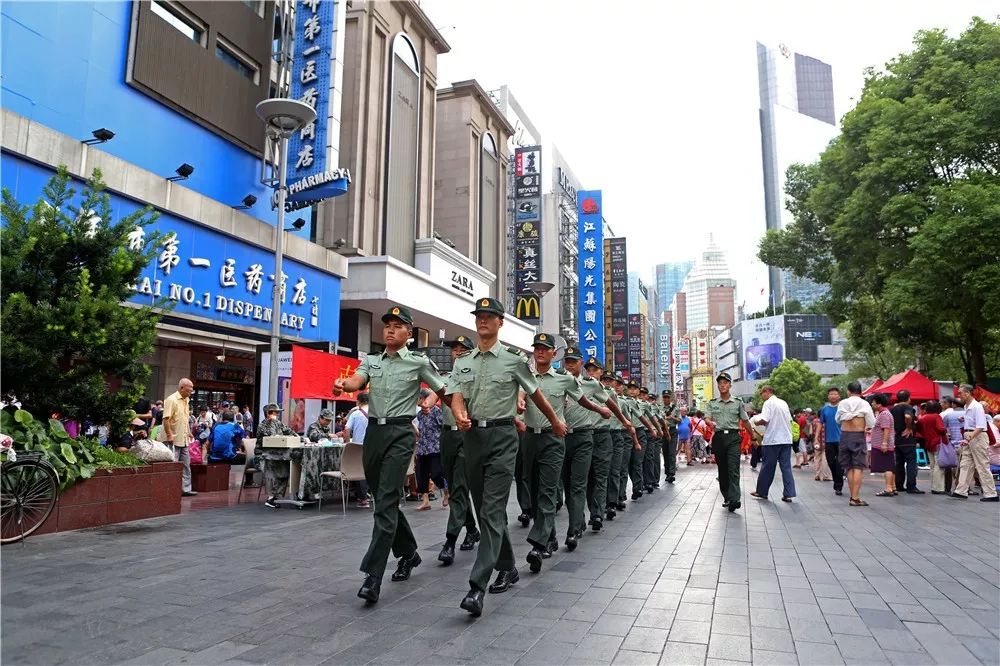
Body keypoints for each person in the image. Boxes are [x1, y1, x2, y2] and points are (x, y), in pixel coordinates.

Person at [446, 298, 566, 617]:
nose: (483, 320)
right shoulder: (463, 362)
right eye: (479, 316)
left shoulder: (513, 360)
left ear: (500, 323)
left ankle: (476, 586)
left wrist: (554, 421)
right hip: (472, 438)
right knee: (487, 509)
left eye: (490, 316)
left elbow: (535, 393)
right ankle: (509, 567)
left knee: (492, 508)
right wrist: (459, 414)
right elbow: (457, 395)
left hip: (502, 436)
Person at [333, 306, 449, 605]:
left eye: (398, 326)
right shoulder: (371, 360)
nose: (390, 330)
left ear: (408, 333)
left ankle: (373, 576)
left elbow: (442, 389)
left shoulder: (418, 363)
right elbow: (356, 381)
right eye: (387, 325)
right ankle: (409, 553)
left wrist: (458, 412)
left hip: (400, 433)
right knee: (383, 501)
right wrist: (342, 385)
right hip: (374, 434)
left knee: (385, 501)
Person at [518, 334, 609, 572]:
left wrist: (600, 409)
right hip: (529, 437)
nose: (539, 352)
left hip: (553, 438)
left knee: (549, 491)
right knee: (535, 489)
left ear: (552, 354)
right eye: (536, 348)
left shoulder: (563, 380)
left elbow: (583, 400)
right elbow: (518, 396)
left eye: (544, 348)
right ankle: (549, 537)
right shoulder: (525, 377)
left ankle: (538, 544)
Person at [564, 352, 631, 545]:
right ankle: (579, 520)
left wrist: (624, 420)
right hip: (571, 436)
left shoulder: (592, 385)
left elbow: (611, 404)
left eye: (595, 370)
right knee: (580, 481)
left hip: (600, 436)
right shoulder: (561, 381)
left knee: (600, 475)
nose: (592, 372)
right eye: (590, 370)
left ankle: (597, 514)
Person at [429, 336, 480, 566]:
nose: (457, 353)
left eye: (462, 349)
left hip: (467, 435)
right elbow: (434, 395)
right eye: (454, 349)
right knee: (455, 486)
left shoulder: (475, 378)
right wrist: (427, 403)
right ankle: (471, 529)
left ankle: (450, 541)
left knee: (458, 487)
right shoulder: (446, 378)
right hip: (447, 436)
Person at [705, 372, 749, 512]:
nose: (722, 385)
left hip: (733, 438)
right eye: (720, 383)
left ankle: (735, 498)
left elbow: (745, 420)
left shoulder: (737, 402)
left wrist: (753, 436)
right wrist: (710, 422)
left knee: (733, 468)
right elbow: (707, 418)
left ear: (730, 385)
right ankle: (727, 497)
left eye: (725, 382)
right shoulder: (712, 403)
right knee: (723, 470)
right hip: (719, 438)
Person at [952, 384, 999, 502]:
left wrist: (968, 438)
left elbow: (981, 426)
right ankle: (961, 491)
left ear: (967, 393)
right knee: (966, 464)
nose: (959, 396)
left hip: (976, 436)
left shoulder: (976, 407)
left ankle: (991, 493)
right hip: (971, 435)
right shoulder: (969, 406)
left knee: (982, 464)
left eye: (960, 393)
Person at [750, 385, 795, 502]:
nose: (761, 396)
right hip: (786, 439)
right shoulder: (783, 403)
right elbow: (789, 420)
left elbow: (765, 419)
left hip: (773, 440)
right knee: (786, 467)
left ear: (767, 392)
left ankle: (762, 491)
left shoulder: (768, 403)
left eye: (761, 393)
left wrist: (756, 421)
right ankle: (789, 493)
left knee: (767, 467)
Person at [835, 381, 876, 506]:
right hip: (858, 436)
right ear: (861, 392)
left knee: (849, 467)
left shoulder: (843, 403)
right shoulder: (864, 403)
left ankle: (853, 497)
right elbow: (871, 422)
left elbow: (837, 419)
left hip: (845, 435)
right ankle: (855, 497)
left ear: (848, 391)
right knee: (858, 466)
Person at [256, 403, 298, 508]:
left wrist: (299, 438)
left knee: (291, 465)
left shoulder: (278, 423)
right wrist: (272, 422)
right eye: (275, 412)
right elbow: (272, 438)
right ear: (268, 413)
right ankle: (271, 498)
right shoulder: (264, 425)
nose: (277, 415)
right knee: (282, 470)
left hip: (278, 454)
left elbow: (289, 431)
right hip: (265, 456)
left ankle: (299, 493)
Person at [162, 378, 197, 497]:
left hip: (184, 439)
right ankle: (170, 489)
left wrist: (189, 432)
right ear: (182, 388)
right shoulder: (171, 400)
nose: (191, 392)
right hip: (173, 439)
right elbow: (166, 419)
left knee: (186, 465)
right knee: (173, 465)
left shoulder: (186, 400)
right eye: (189, 389)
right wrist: (169, 435)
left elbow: (185, 419)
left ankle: (185, 489)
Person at [414, 396, 446, 511]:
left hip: (435, 447)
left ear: (423, 399)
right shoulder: (420, 414)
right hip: (422, 448)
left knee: (436, 473)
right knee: (421, 475)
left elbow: (442, 427)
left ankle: (446, 492)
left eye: (418, 399)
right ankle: (425, 501)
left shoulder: (436, 411)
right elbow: (420, 432)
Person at [890, 389, 922, 494]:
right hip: (908, 439)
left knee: (899, 463)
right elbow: (907, 416)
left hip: (897, 438)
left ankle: (899, 485)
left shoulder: (893, 409)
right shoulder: (908, 407)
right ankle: (911, 486)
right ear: (908, 398)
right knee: (911, 463)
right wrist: (909, 427)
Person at [343, 394, 371, 508]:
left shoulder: (355, 414)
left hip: (358, 447)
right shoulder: (376, 413)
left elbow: (346, 429)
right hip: (374, 446)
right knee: (372, 469)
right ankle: (372, 494)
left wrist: (347, 442)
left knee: (359, 470)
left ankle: (363, 499)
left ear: (359, 402)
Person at [817, 387, 844, 495]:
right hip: (829, 440)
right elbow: (820, 423)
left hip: (842, 440)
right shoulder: (825, 409)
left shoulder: (843, 408)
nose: (833, 396)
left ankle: (838, 486)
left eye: (835, 394)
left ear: (839, 396)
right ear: (828, 396)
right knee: (831, 462)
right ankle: (837, 478)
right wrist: (816, 438)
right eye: (831, 394)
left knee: (840, 463)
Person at [870, 394, 898, 497]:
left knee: (887, 467)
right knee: (889, 466)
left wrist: (884, 443)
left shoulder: (884, 414)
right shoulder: (883, 413)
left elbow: (886, 428)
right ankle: (893, 487)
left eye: (873, 402)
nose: (872, 404)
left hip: (883, 445)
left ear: (879, 404)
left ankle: (888, 488)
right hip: (882, 444)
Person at [917, 401, 947, 494]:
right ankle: (938, 488)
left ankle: (934, 486)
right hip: (938, 442)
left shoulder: (923, 418)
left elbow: (918, 429)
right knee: (939, 465)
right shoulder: (936, 416)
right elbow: (941, 429)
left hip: (928, 443)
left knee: (932, 466)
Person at [661, 391, 681, 483]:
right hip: (663, 431)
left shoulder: (675, 408)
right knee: (665, 452)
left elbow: (679, 420)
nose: (666, 399)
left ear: (670, 398)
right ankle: (667, 473)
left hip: (672, 431)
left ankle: (672, 473)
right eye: (664, 397)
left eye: (668, 397)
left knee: (672, 452)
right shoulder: (659, 408)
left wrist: (672, 418)